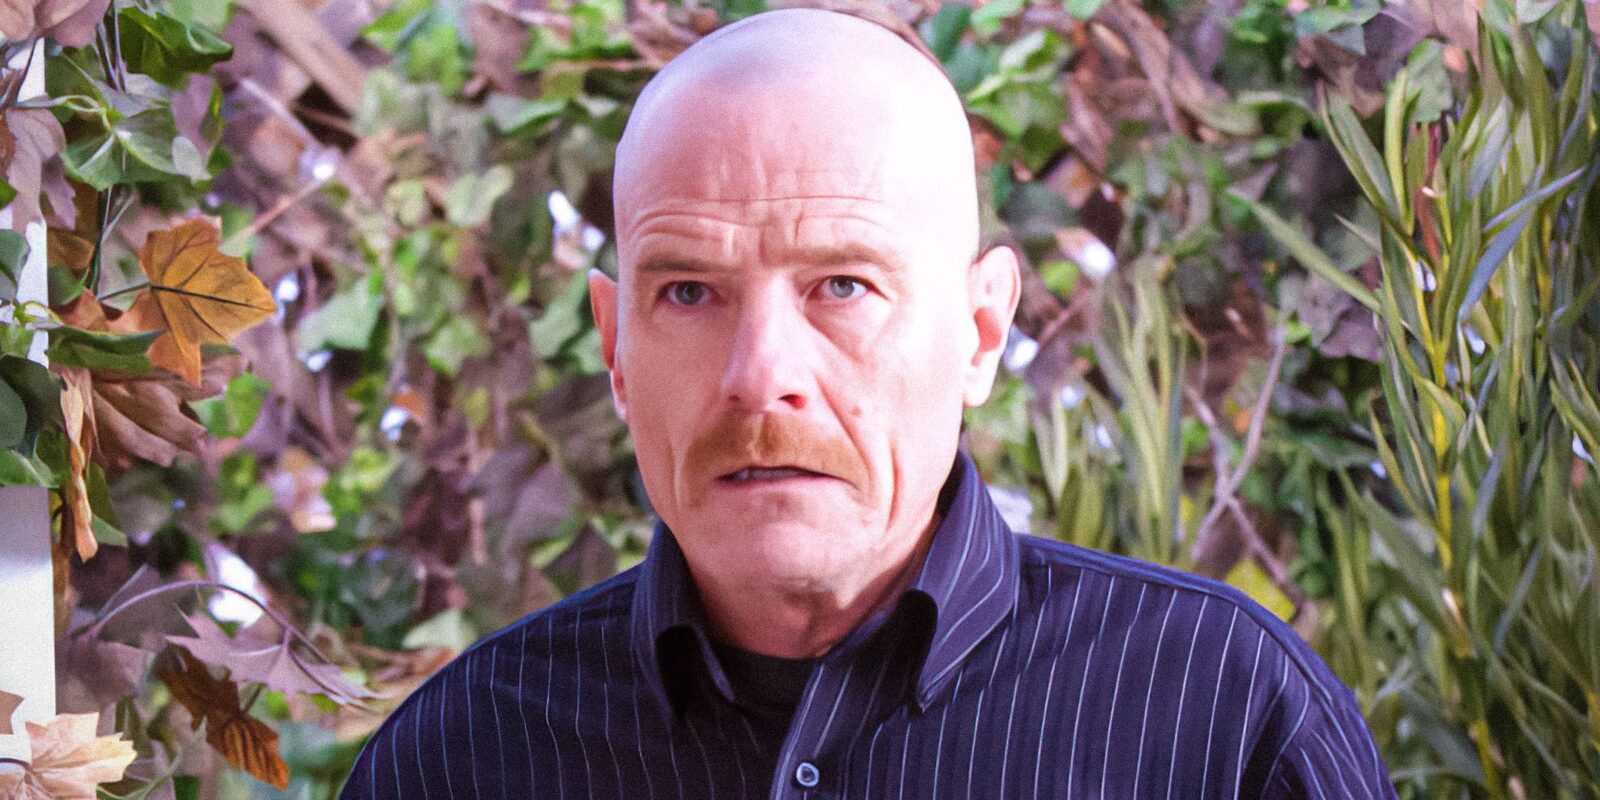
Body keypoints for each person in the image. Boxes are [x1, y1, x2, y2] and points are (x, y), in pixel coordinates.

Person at [340, 7, 1396, 798]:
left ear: (981, 331)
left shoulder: (1224, 720)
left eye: (842, 286)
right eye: (690, 292)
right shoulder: (459, 758)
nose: (761, 374)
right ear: (616, 347)